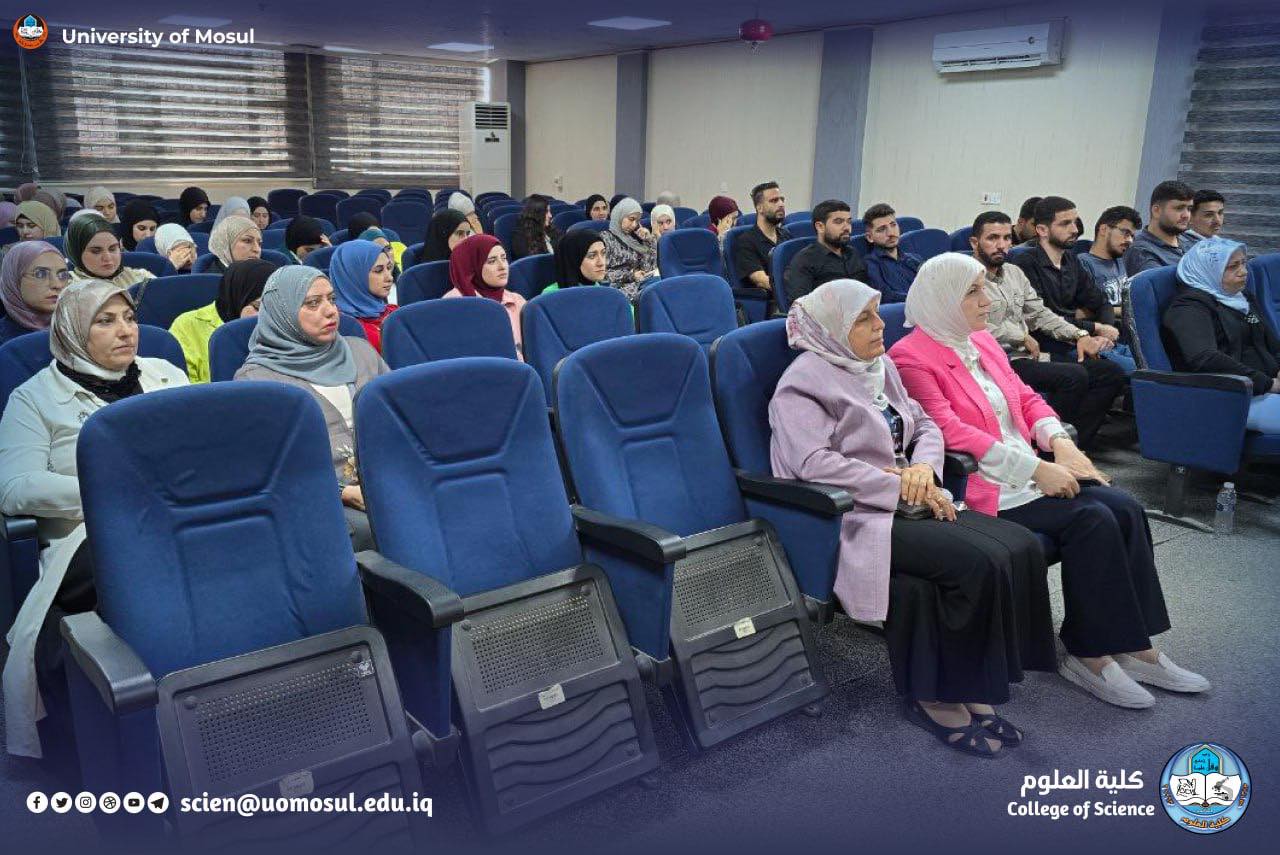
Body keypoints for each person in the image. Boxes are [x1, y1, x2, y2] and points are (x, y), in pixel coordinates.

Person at [889, 253, 1209, 709]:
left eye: (985, 288)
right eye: (974, 292)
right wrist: (1037, 469)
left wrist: (1061, 443)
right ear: (943, 298)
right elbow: (948, 431)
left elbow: (1026, 397)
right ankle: (1088, 654)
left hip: (1029, 469)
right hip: (987, 488)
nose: (988, 300)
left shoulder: (981, 340)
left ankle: (1134, 645)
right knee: (1092, 519)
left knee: (1124, 506)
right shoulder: (910, 357)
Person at [770, 279, 1054, 757]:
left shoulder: (877, 367)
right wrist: (898, 483)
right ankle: (939, 699)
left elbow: (923, 423)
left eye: (877, 313)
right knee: (977, 562)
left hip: (913, 496)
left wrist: (923, 469)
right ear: (833, 329)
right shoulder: (802, 384)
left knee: (1016, 544)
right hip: (854, 514)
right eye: (864, 318)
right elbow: (811, 463)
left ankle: (967, 686)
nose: (880, 325)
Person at [0, 280, 189, 759]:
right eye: (105, 321)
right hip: (91, 534)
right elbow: (14, 486)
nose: (126, 331)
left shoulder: (166, 374)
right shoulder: (34, 398)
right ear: (71, 331)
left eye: (129, 318)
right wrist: (110, 490)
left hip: (185, 515)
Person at [235, 266, 386, 551]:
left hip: (386, 477)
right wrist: (343, 492)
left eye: (332, 299)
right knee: (371, 530)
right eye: (313, 303)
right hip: (319, 495)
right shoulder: (257, 380)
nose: (330, 311)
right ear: (283, 313)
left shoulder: (360, 351)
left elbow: (398, 420)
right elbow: (270, 467)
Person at [971, 212, 1125, 448]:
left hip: (1027, 356)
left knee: (1109, 372)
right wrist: (1021, 336)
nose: (1001, 245)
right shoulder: (967, 277)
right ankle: (1046, 449)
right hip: (993, 361)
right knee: (1073, 376)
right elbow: (972, 325)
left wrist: (1079, 335)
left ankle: (1074, 445)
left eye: (1006, 238)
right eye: (993, 238)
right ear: (975, 242)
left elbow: (1040, 314)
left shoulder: (1014, 273)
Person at [1162, 237, 1280, 432]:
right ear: (1208, 270)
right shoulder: (1188, 308)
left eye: (1243, 263)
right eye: (1233, 267)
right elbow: (1204, 358)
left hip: (1264, 388)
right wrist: (1268, 384)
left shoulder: (1241, 298)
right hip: (1230, 396)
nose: (1243, 272)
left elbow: (1271, 343)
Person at [170, 258, 276, 383]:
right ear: (238, 298)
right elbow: (184, 387)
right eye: (259, 307)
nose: (268, 317)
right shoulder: (187, 326)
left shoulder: (283, 327)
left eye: (275, 310)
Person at [445, 234, 526, 358]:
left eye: (504, 258)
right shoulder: (452, 304)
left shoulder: (517, 300)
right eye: (492, 261)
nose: (502, 267)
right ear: (472, 266)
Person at [783, 200, 867, 307]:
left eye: (849, 222)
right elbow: (801, 307)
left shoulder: (853, 253)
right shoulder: (804, 261)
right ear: (820, 227)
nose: (847, 228)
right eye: (839, 222)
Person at [330, 240, 397, 352]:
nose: (389, 277)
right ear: (353, 276)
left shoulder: (393, 311)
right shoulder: (345, 329)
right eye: (378, 270)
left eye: (389, 268)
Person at [0, 241, 69, 344]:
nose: (57, 285)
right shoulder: (4, 341)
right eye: (40, 274)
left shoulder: (77, 329)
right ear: (13, 279)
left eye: (62, 275)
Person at [66, 214, 155, 289]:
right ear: (76, 253)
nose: (107, 257)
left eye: (112, 249)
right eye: (96, 251)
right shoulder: (67, 288)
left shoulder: (140, 277)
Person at [1124, 180, 1194, 275]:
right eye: (1179, 208)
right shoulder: (1140, 251)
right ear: (1156, 211)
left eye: (1189, 209)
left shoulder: (1190, 243)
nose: (1186, 215)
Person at [734, 181, 791, 294]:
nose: (781, 204)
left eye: (782, 199)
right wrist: (796, 288)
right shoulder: (746, 241)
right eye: (774, 200)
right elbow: (762, 281)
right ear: (759, 208)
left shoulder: (786, 235)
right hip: (772, 299)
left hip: (794, 295)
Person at [1079, 206, 1141, 308]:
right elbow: (1085, 310)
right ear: (1103, 229)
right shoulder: (1083, 263)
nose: (1130, 240)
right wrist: (1128, 310)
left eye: (1132, 236)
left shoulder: (1122, 261)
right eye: (1125, 233)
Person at [862, 203, 923, 303]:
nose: (891, 233)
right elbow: (885, 297)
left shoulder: (915, 258)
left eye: (893, 225)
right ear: (870, 237)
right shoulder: (869, 265)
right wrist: (922, 299)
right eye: (882, 229)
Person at [600, 197, 658, 301]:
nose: (634, 225)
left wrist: (649, 241)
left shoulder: (634, 239)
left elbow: (649, 268)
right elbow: (602, 274)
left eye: (637, 221)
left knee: (660, 283)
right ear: (620, 215)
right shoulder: (605, 239)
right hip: (620, 290)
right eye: (631, 219)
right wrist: (631, 275)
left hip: (640, 286)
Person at [541, 229, 609, 296]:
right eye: (592, 256)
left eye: (603, 253)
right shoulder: (551, 296)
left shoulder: (604, 292)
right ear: (574, 260)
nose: (601, 263)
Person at [510, 195, 562, 260]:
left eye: (549, 211)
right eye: (546, 212)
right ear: (536, 214)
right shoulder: (520, 237)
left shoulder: (549, 228)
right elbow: (530, 263)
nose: (550, 215)